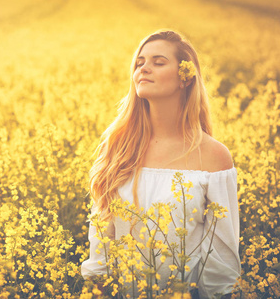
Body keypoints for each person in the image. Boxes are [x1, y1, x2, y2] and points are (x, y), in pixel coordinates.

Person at [81, 29, 241, 298]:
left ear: (185, 78)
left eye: (158, 62)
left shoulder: (214, 156)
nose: (144, 69)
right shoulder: (119, 148)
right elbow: (101, 242)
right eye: (139, 63)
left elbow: (221, 262)